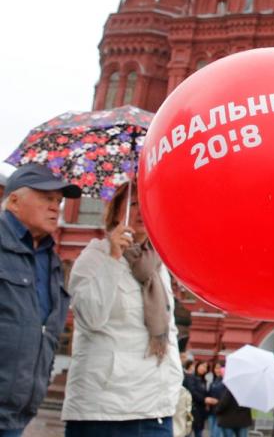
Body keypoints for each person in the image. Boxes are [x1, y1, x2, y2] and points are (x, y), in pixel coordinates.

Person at [61, 180, 184, 435]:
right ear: (116, 210)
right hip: (103, 411)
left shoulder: (157, 263)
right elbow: (91, 318)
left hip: (155, 407)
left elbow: (167, 330)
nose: (141, 211)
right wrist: (113, 259)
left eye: (148, 203)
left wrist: (174, 383)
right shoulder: (94, 257)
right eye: (134, 203)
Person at [0, 164, 79, 435]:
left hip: (18, 412)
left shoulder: (51, 261)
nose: (55, 207)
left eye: (58, 201)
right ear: (13, 201)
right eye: (46, 198)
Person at [184, 361, 210, 436]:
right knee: (188, 431)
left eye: (206, 367)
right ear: (197, 366)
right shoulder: (190, 377)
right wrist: (204, 399)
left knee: (199, 432)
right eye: (202, 366)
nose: (204, 369)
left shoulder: (204, 381)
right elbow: (192, 391)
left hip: (201, 411)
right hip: (192, 409)